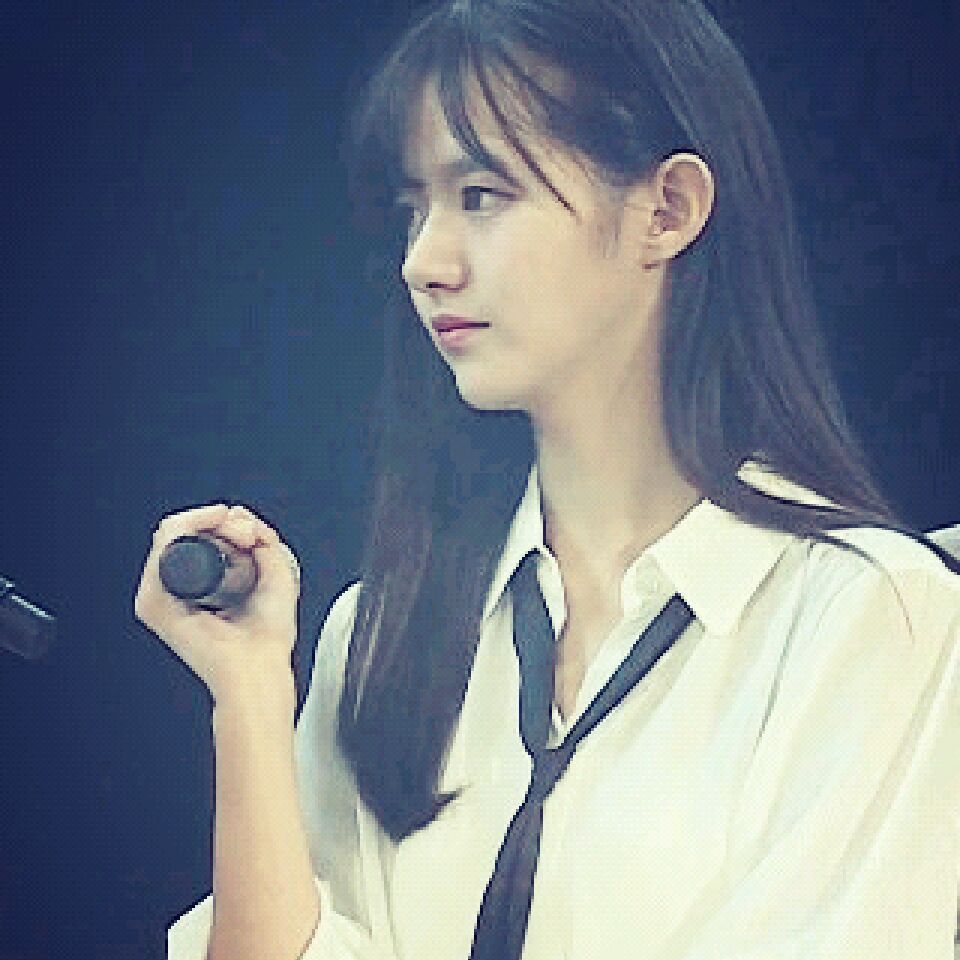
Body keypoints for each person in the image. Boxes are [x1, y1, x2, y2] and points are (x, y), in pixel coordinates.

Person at [134, 0, 960, 958]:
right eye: (413, 210)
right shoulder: (383, 633)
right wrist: (247, 699)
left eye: (481, 195)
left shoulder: (871, 616)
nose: (423, 262)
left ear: (667, 209)